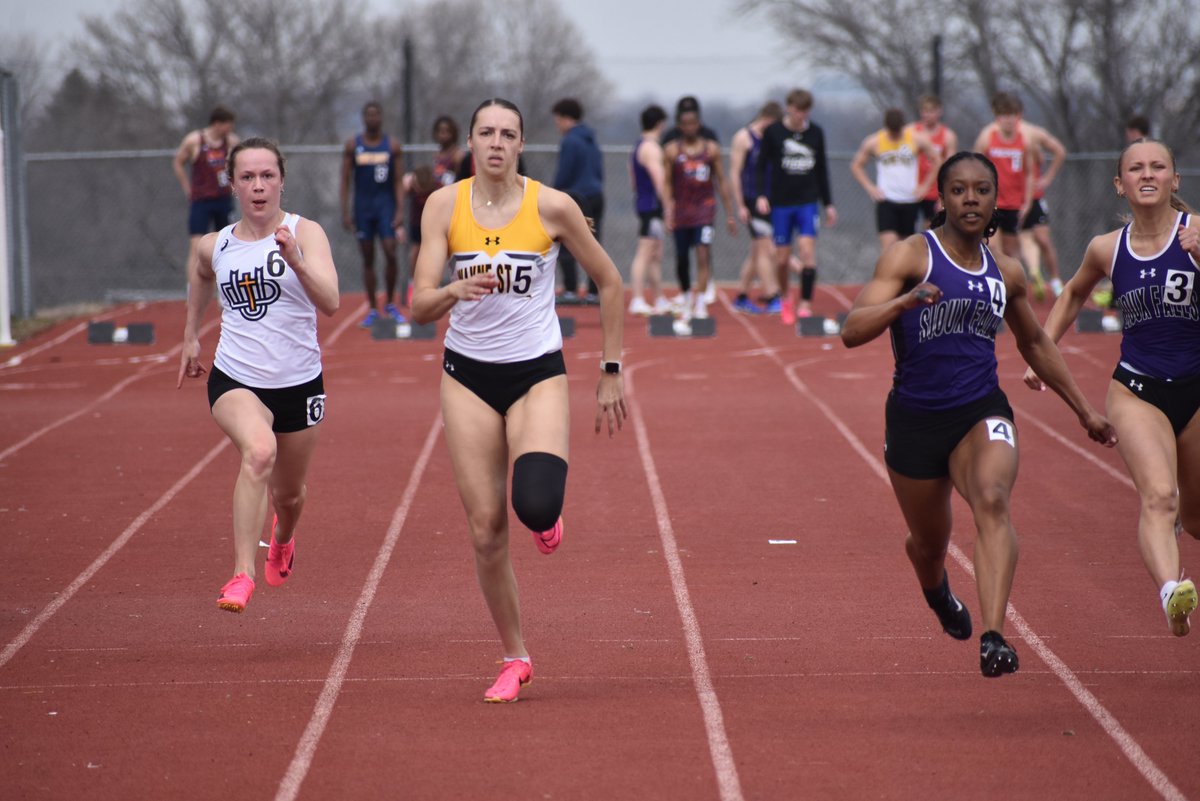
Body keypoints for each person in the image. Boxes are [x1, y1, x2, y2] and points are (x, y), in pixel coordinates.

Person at [840, 151, 1116, 677]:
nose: (971, 198)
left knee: (992, 500)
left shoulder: (1006, 271)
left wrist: (1085, 411)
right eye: (960, 189)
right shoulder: (908, 257)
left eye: (982, 190)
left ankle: (994, 637)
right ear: (941, 198)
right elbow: (852, 330)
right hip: (915, 421)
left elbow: (1034, 342)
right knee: (928, 543)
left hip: (979, 410)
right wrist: (903, 304)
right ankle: (937, 591)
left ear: (997, 200)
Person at [410, 99, 627, 703]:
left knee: (533, 504)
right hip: (468, 378)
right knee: (485, 531)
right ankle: (515, 656)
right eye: (486, 133)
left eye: (508, 134)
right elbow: (419, 304)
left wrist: (611, 369)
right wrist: (454, 286)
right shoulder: (443, 206)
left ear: (522, 144)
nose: (496, 143)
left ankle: (547, 516)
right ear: (471, 144)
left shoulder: (552, 206)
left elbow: (610, 281)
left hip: (536, 373)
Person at [1023, 138, 1200, 637]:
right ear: (1120, 185)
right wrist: (1043, 352)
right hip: (1137, 389)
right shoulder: (1106, 247)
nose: (1148, 174)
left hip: (1196, 387)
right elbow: (1073, 292)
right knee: (1159, 497)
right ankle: (1172, 592)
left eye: (1159, 166)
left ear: (1174, 179)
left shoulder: (1197, 234)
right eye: (1136, 169)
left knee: (1196, 515)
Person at [177, 137, 340, 613]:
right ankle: (241, 574)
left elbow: (330, 302)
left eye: (267, 175)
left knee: (289, 496)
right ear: (232, 185)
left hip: (299, 383)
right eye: (247, 177)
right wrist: (191, 335)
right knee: (258, 451)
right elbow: (201, 276)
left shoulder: (305, 232)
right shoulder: (217, 244)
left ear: (282, 181)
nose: (258, 186)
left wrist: (295, 260)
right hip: (236, 378)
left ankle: (283, 539)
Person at [755, 88, 836, 324]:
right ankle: (785, 297)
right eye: (797, 110)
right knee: (781, 259)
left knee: (807, 251)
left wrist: (828, 203)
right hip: (781, 203)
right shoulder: (774, 132)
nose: (801, 115)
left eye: (805, 111)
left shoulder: (816, 133)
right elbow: (761, 166)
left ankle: (806, 304)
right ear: (789, 108)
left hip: (807, 201)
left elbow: (822, 170)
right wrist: (761, 195)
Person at [662, 103, 738, 322]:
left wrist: (730, 213)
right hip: (681, 212)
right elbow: (667, 184)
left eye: (693, 124)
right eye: (685, 124)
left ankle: (701, 300)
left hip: (705, 210)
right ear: (679, 126)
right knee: (681, 258)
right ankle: (686, 297)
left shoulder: (711, 149)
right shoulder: (672, 151)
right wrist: (668, 209)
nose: (689, 128)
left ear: (699, 124)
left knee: (703, 253)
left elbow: (721, 181)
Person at [340, 101, 405, 327]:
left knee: (390, 250)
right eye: (368, 114)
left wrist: (399, 209)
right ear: (363, 118)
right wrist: (345, 211)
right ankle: (373, 308)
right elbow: (345, 180)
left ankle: (389, 302)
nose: (372, 118)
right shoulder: (353, 145)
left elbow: (398, 180)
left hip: (385, 205)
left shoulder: (392, 146)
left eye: (376, 114)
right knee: (367, 256)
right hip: (363, 207)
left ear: (382, 118)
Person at [849, 107, 942, 254]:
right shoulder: (875, 141)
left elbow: (937, 160)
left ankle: (903, 277)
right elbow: (856, 165)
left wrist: (925, 186)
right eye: (892, 132)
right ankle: (887, 277)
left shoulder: (915, 139)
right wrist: (870, 187)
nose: (895, 135)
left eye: (898, 131)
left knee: (905, 248)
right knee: (889, 245)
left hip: (909, 200)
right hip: (887, 199)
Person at [973, 93, 1040, 294]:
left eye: (1011, 116)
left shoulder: (1025, 142)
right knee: (992, 246)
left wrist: (1027, 202)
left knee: (1012, 252)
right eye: (1003, 116)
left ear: (1017, 117)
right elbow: (974, 166)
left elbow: (1030, 174)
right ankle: (993, 288)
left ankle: (1014, 290)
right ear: (996, 117)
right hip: (992, 202)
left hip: (1014, 203)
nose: (1008, 120)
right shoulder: (988, 138)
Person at [729, 101, 783, 314]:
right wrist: (740, 205)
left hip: (771, 201)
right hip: (752, 201)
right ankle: (772, 295)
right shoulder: (743, 137)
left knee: (756, 251)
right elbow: (734, 173)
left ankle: (741, 295)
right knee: (765, 248)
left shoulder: (771, 139)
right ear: (767, 118)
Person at [172, 106, 240, 275]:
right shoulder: (195, 140)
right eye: (228, 125)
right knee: (196, 245)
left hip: (224, 200)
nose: (230, 129)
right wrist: (188, 188)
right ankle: (191, 292)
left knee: (227, 244)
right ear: (217, 124)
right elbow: (178, 162)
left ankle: (226, 291)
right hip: (201, 200)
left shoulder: (231, 142)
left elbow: (240, 164)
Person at [551, 98, 605, 305]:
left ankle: (571, 290)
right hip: (596, 194)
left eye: (558, 120)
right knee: (593, 242)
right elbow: (599, 170)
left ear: (566, 118)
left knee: (565, 239)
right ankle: (594, 291)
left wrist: (554, 193)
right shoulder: (591, 138)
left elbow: (564, 172)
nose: (557, 125)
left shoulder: (570, 141)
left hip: (576, 196)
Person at [627, 104, 673, 316]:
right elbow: (659, 179)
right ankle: (636, 298)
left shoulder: (637, 146)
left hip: (645, 203)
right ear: (660, 124)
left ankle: (659, 297)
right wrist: (669, 206)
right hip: (652, 206)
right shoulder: (651, 148)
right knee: (645, 252)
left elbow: (633, 180)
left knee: (655, 253)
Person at [910, 95, 958, 228]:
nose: (928, 115)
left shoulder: (948, 136)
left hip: (934, 192)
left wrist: (943, 196)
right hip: (912, 190)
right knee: (907, 234)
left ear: (939, 112)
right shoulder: (911, 132)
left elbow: (950, 169)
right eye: (925, 111)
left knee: (931, 231)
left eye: (931, 111)